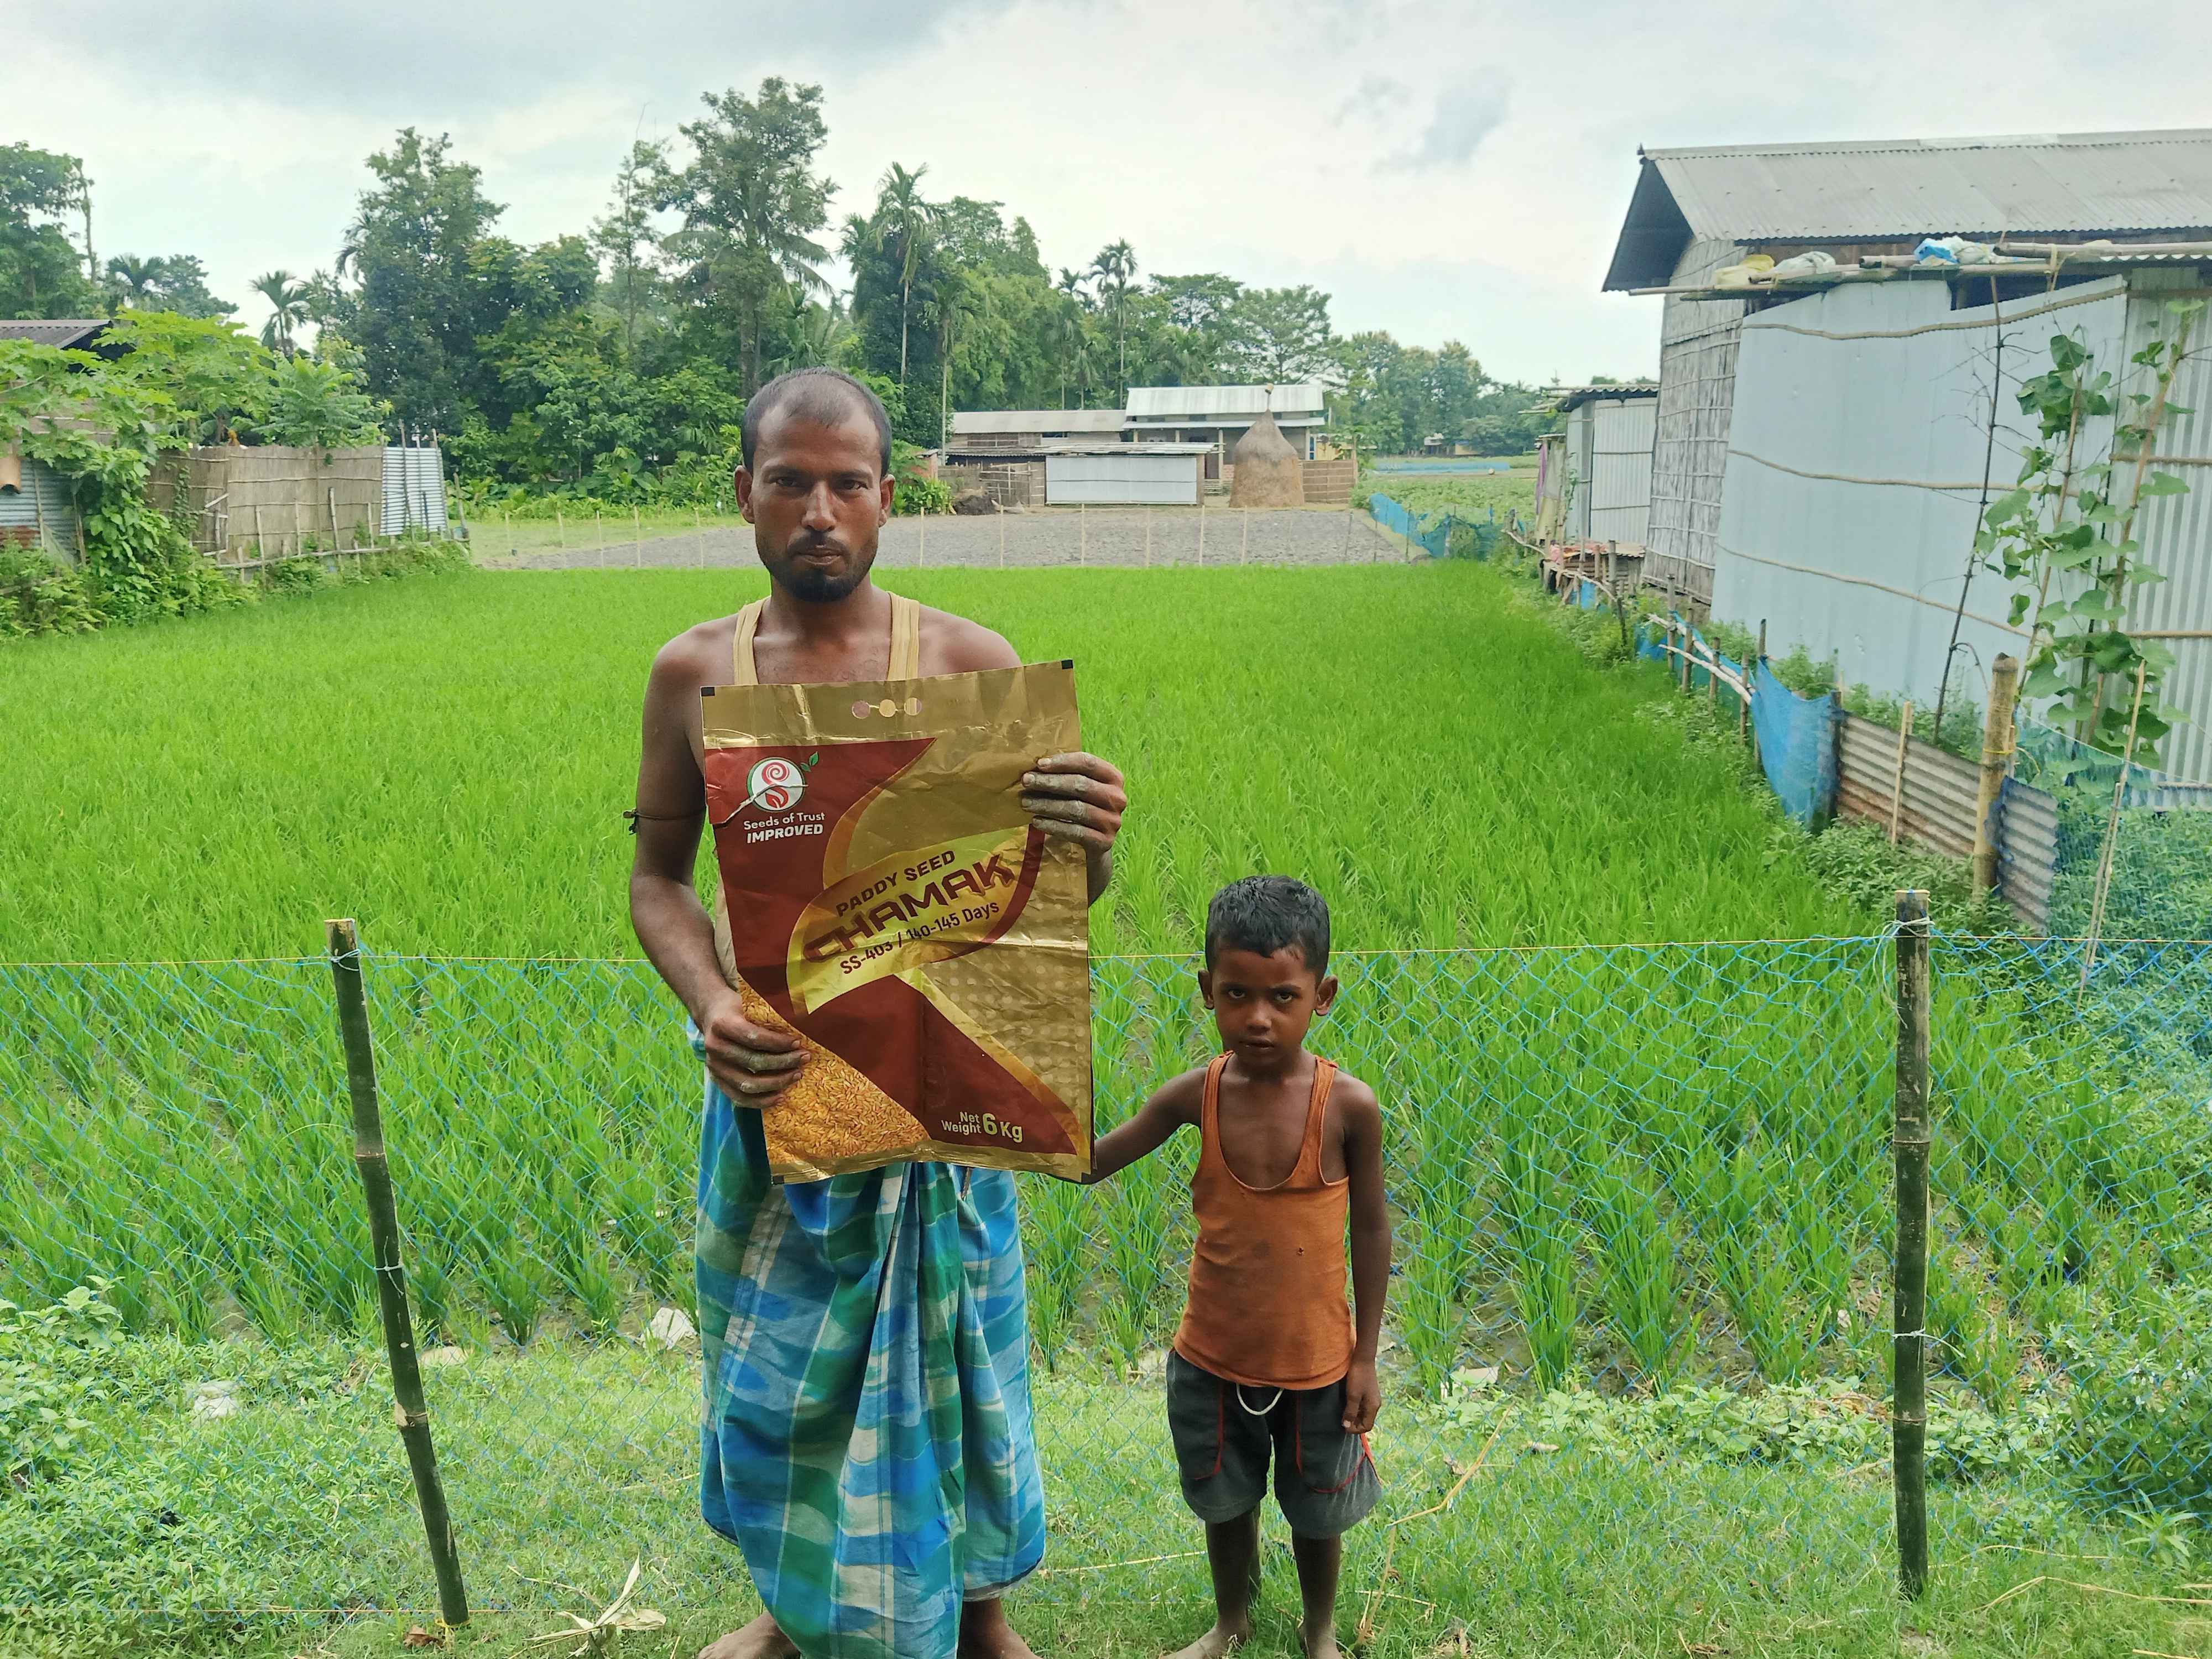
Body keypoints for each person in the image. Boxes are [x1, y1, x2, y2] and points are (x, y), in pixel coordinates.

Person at [627, 367, 1129, 1659]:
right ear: (742, 493)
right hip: (780, 1097)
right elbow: (657, 881)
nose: (818, 510)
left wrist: (1087, 843)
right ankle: (793, 1607)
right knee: (783, 1377)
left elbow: (1037, 901)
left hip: (940, 1098)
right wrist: (712, 1006)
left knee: (958, 1365)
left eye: (846, 484)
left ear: (887, 499)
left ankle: (980, 1613)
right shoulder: (693, 674)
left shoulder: (967, 665)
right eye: (788, 481)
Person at [1086, 876, 1390, 1659]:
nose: (1258, 1017)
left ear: (1323, 996)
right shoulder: (1195, 1095)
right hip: (1212, 1358)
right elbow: (1091, 1164)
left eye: (1283, 997)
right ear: (1207, 991)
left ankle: (1320, 1630)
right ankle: (1232, 1622)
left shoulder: (1348, 1107)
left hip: (1318, 1363)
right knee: (1225, 1502)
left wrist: (1364, 1358)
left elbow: (1371, 1229)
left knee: (1317, 1511)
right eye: (1236, 994)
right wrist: (1015, 1102)